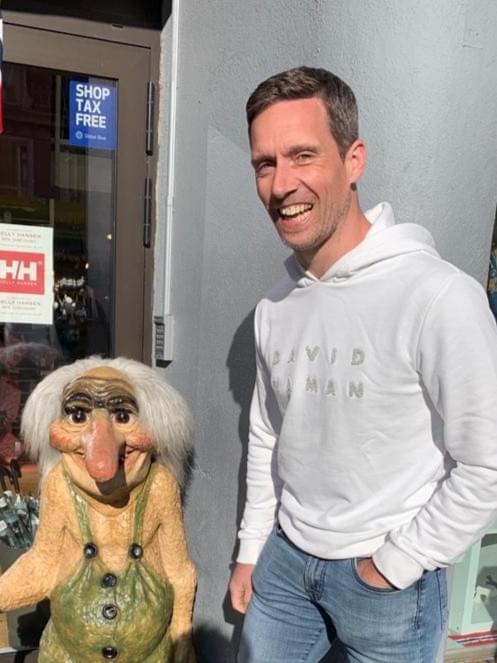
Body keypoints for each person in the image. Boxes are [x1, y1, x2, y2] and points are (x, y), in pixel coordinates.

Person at [228, 66, 497, 663]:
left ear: (353, 161)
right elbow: (268, 435)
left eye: (303, 155)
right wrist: (251, 549)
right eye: (265, 164)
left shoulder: (438, 296)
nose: (281, 184)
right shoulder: (275, 306)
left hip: (387, 583)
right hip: (286, 562)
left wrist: (396, 563)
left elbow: (487, 462)